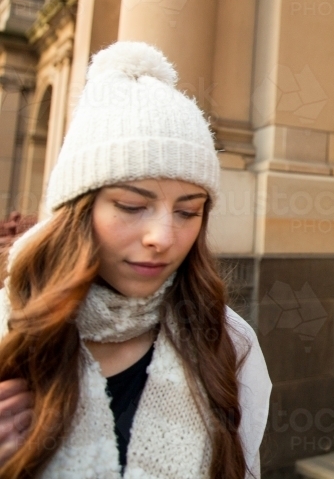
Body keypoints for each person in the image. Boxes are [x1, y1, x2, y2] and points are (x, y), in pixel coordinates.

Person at [0, 42, 270, 478]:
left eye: (188, 211)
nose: (163, 238)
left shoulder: (230, 343)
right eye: (130, 205)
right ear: (78, 209)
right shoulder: (7, 326)